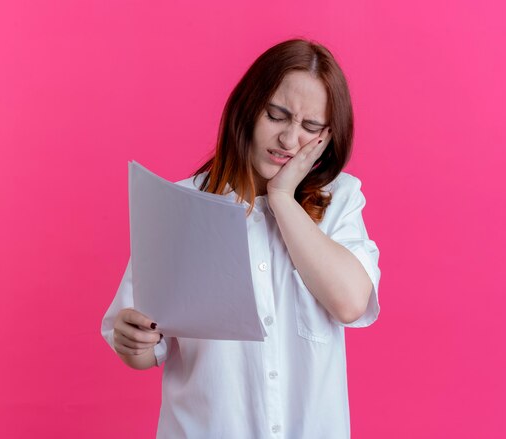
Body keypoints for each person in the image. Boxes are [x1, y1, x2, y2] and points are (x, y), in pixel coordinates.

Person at [101, 38, 381, 438]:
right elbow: (146, 350)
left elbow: (351, 303)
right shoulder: (183, 205)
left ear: (327, 137)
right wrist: (134, 342)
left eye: (310, 128)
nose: (288, 140)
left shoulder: (341, 201)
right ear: (248, 108)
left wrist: (282, 198)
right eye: (277, 116)